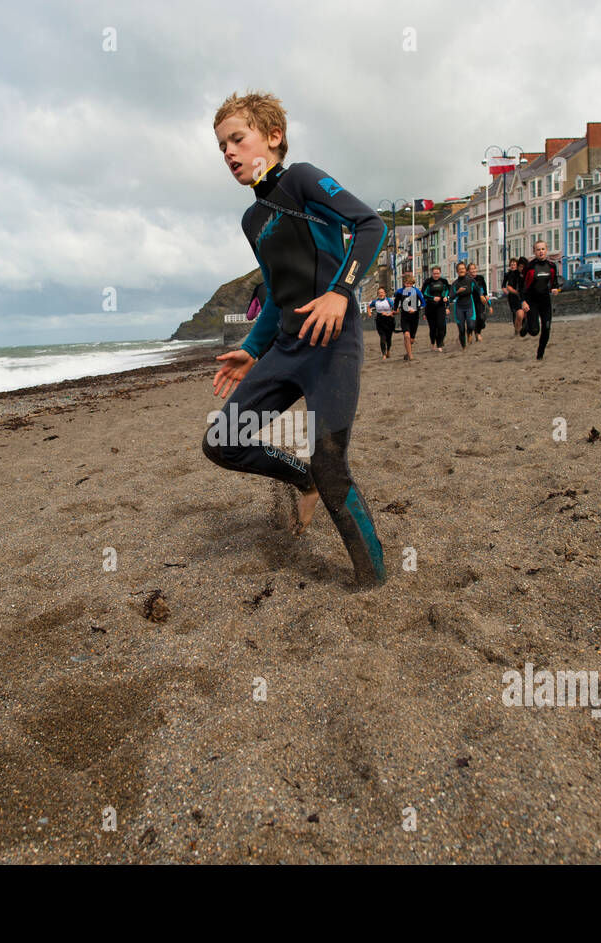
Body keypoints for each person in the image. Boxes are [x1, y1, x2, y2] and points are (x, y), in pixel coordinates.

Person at [204, 90, 387, 588]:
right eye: (222, 146)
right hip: (285, 347)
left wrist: (340, 293)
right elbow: (278, 295)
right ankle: (298, 478)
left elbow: (372, 225)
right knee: (222, 442)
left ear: (274, 137)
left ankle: (372, 582)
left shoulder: (302, 179)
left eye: (237, 139)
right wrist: (252, 349)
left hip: (333, 344)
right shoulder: (252, 219)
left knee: (331, 465)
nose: (229, 153)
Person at [519, 241, 560, 360]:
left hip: (545, 301)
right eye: (538, 249)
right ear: (534, 252)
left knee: (547, 328)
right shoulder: (529, 267)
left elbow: (554, 283)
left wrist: (554, 289)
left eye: (543, 249)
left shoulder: (552, 266)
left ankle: (540, 354)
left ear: (546, 250)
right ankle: (526, 325)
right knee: (534, 331)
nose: (541, 252)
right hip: (532, 301)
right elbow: (522, 287)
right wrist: (523, 301)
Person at [393, 273, 424, 361]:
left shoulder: (416, 291)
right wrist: (395, 309)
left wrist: (415, 309)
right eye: (407, 283)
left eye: (411, 284)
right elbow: (396, 303)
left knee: (411, 340)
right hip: (405, 317)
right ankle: (411, 357)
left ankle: (407, 353)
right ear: (404, 283)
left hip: (414, 317)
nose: (409, 286)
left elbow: (423, 303)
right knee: (406, 335)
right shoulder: (399, 292)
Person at [420, 266, 451, 351]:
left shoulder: (444, 281)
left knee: (441, 326)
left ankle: (439, 344)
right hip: (430, 307)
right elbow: (423, 294)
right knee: (433, 328)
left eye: (437, 273)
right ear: (431, 273)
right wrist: (432, 298)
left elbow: (448, 292)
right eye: (434, 273)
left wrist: (446, 300)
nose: (436, 275)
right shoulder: (428, 282)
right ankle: (433, 343)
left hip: (440, 306)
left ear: (440, 273)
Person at [368, 285, 395, 360]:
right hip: (380, 321)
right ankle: (384, 354)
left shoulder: (389, 300)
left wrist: (389, 314)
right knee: (382, 338)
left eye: (382, 292)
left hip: (389, 320)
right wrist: (369, 313)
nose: (381, 294)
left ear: (385, 293)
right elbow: (369, 307)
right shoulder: (375, 302)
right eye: (379, 293)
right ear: (377, 294)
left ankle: (388, 350)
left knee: (388, 338)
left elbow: (395, 310)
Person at [451, 262, 472, 349]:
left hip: (469, 305)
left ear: (465, 270)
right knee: (461, 328)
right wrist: (457, 292)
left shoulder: (471, 281)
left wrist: (482, 296)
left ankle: (469, 333)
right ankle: (464, 347)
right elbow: (450, 297)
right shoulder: (455, 284)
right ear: (457, 271)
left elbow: (478, 290)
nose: (461, 270)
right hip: (459, 307)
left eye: (463, 268)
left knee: (470, 325)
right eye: (460, 269)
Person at [466, 261, 488, 342]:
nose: (473, 270)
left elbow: (484, 289)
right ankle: (470, 333)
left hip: (479, 301)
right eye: (471, 269)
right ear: (468, 271)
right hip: (469, 302)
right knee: (471, 320)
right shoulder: (466, 279)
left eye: (474, 268)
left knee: (481, 318)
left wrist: (486, 296)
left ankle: (478, 333)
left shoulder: (480, 278)